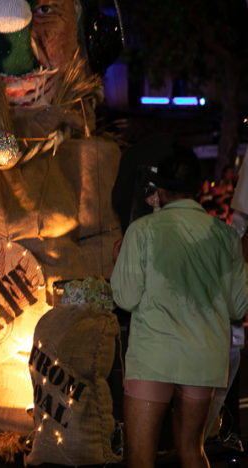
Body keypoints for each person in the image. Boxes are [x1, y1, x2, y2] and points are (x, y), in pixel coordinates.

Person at [110, 146, 248, 468]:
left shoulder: (142, 231)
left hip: (153, 357)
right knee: (192, 451)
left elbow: (125, 298)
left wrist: (120, 261)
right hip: (203, 358)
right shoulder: (225, 236)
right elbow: (238, 307)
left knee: (140, 459)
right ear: (199, 189)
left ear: (160, 190)